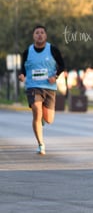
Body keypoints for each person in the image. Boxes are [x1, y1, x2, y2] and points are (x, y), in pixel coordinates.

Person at [18, 25, 65, 155]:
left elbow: (62, 65)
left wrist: (55, 76)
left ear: (45, 36)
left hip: (49, 87)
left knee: (49, 119)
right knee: (37, 111)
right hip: (33, 86)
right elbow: (22, 68)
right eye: (37, 33)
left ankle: (42, 119)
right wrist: (22, 75)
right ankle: (40, 143)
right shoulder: (27, 51)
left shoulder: (53, 50)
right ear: (33, 36)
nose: (39, 35)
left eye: (42, 33)